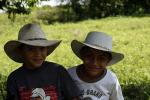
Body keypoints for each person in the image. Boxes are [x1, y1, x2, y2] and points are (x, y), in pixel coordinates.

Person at [4, 23, 81, 100]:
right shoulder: (15, 78)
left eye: (42, 48)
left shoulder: (58, 71)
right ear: (20, 51)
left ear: (46, 49)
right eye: (31, 49)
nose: (38, 54)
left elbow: (74, 98)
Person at [68, 31, 124, 100]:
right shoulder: (69, 74)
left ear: (108, 61)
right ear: (82, 55)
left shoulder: (111, 79)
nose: (94, 63)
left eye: (101, 58)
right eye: (89, 56)